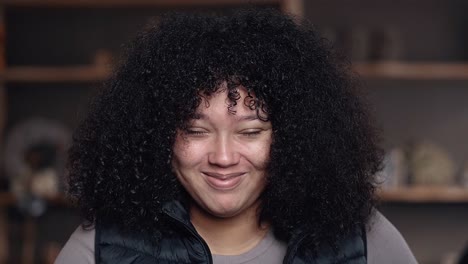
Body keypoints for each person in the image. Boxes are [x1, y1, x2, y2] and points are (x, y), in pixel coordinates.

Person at [56, 9, 417, 264]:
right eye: (196, 131)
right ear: (155, 135)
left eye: (250, 131)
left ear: (294, 136)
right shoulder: (100, 248)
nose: (224, 157)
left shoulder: (363, 240)